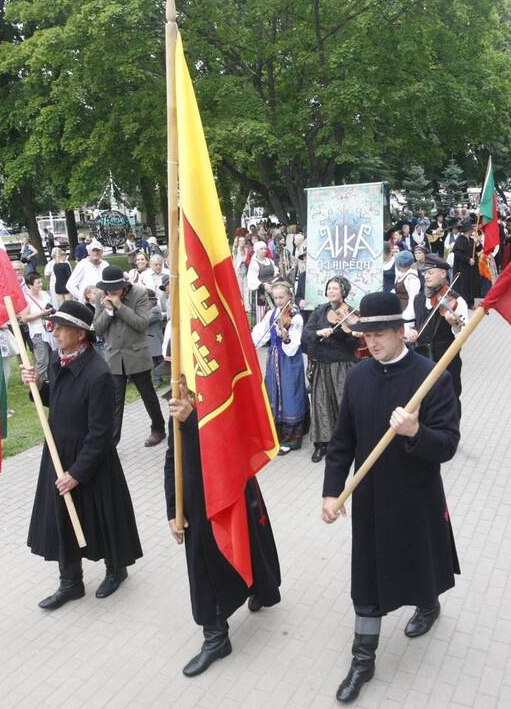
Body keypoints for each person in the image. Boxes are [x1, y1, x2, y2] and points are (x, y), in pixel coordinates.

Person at [321, 291, 460, 703]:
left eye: (380, 334)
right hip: (368, 497)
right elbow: (342, 440)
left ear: (401, 332)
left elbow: (448, 444)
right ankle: (363, 658)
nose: (371, 343)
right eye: (366, 335)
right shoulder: (359, 376)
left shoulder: (433, 377)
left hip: (415, 495)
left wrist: (416, 433)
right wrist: (332, 491)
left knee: (418, 559)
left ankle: (428, 604)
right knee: (367, 575)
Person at [21, 300, 144, 609]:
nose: (55, 332)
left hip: (92, 460)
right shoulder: (58, 360)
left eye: (61, 328)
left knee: (104, 518)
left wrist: (77, 474)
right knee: (63, 518)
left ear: (79, 334)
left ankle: (116, 569)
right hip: (58, 452)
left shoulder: (99, 373)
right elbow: (54, 399)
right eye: (54, 326)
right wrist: (35, 386)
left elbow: (102, 434)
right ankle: (70, 583)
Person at [165, 378, 282, 677]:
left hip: (232, 491)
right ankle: (215, 638)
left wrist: (192, 421)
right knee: (203, 563)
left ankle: (262, 589)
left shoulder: (223, 391)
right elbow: (172, 456)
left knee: (249, 544)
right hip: (195, 500)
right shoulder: (180, 400)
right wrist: (172, 509)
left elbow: (230, 444)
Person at [92, 265, 166, 448]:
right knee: (115, 401)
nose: (112, 292)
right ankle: (112, 441)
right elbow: (98, 327)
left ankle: (158, 429)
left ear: (124, 285)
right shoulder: (102, 295)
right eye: (109, 289)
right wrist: (109, 311)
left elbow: (141, 324)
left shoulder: (139, 294)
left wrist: (119, 306)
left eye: (116, 288)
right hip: (114, 355)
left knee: (148, 395)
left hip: (136, 353)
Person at [302, 277, 361, 463]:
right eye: (329, 288)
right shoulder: (320, 311)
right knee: (320, 404)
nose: (331, 291)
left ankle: (347, 443)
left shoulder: (351, 313)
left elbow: (354, 342)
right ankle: (321, 444)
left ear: (343, 292)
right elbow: (306, 334)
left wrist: (346, 331)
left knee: (343, 404)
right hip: (322, 364)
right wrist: (319, 332)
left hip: (342, 365)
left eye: (335, 288)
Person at [403, 254, 469, 405]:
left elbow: (463, 333)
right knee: (423, 401)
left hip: (446, 359)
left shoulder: (456, 300)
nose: (426, 276)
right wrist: (409, 331)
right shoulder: (418, 298)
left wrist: (454, 324)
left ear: (443, 274)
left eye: (430, 272)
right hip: (422, 358)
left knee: (449, 400)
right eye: (425, 272)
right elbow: (407, 320)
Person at [251, 281, 308, 454]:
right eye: (275, 297)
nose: (278, 301)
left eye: (281, 297)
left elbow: (294, 344)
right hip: (274, 359)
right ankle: (276, 434)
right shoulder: (273, 313)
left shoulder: (295, 316)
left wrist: (286, 338)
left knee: (290, 393)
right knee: (274, 392)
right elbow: (261, 334)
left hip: (290, 361)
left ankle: (291, 439)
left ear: (289, 296)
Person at [19, 272, 54, 381]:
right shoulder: (26, 299)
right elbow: (24, 318)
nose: (40, 284)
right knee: (43, 361)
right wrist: (41, 314)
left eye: (41, 281)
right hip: (38, 333)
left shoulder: (44, 294)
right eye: (37, 282)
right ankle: (36, 385)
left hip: (51, 330)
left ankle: (51, 384)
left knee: (53, 358)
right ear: (30, 285)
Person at [246, 242, 276, 325]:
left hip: (272, 289)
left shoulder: (270, 261)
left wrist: (274, 283)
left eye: (265, 248)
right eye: (261, 249)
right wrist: (263, 285)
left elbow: (276, 273)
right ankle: (259, 332)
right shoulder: (254, 263)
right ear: (256, 251)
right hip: (260, 291)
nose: (264, 250)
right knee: (261, 314)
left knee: (272, 311)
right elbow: (252, 278)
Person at [450, 220, 479, 303]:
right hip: (463, 267)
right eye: (471, 230)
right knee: (464, 284)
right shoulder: (460, 239)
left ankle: (471, 301)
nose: (473, 231)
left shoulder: (471, 239)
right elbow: (458, 253)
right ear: (468, 230)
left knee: (471, 283)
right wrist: (468, 259)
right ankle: (465, 301)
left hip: (471, 267)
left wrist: (477, 243)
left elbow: (478, 249)